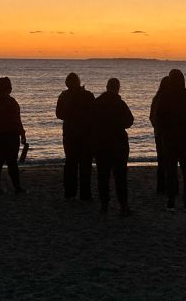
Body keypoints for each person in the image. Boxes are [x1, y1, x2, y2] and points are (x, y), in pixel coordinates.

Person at [152, 69, 186, 211]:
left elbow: (158, 118)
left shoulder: (164, 97)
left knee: (171, 171)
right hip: (185, 138)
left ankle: (171, 201)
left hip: (169, 138)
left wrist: (163, 131)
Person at [91, 78, 134, 216]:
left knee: (103, 176)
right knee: (120, 176)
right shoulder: (120, 104)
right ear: (117, 88)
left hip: (100, 144)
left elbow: (89, 122)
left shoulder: (97, 103)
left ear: (107, 87)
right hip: (118, 144)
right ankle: (123, 205)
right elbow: (129, 121)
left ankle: (104, 205)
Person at [55, 72, 95, 200]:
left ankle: (70, 192)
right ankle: (85, 193)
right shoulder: (88, 95)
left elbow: (59, 114)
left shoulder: (64, 96)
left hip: (70, 133)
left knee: (71, 163)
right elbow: (95, 113)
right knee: (85, 165)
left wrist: (69, 115)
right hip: (86, 134)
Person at [0, 76, 27, 194]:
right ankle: (17, 187)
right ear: (9, 88)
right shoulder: (11, 102)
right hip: (10, 135)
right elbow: (17, 120)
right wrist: (22, 134)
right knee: (12, 162)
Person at [149, 76, 170, 195]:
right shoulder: (164, 99)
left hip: (159, 134)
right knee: (169, 161)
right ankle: (169, 186)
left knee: (162, 161)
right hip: (166, 134)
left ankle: (161, 187)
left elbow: (151, 116)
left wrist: (157, 127)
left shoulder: (157, 98)